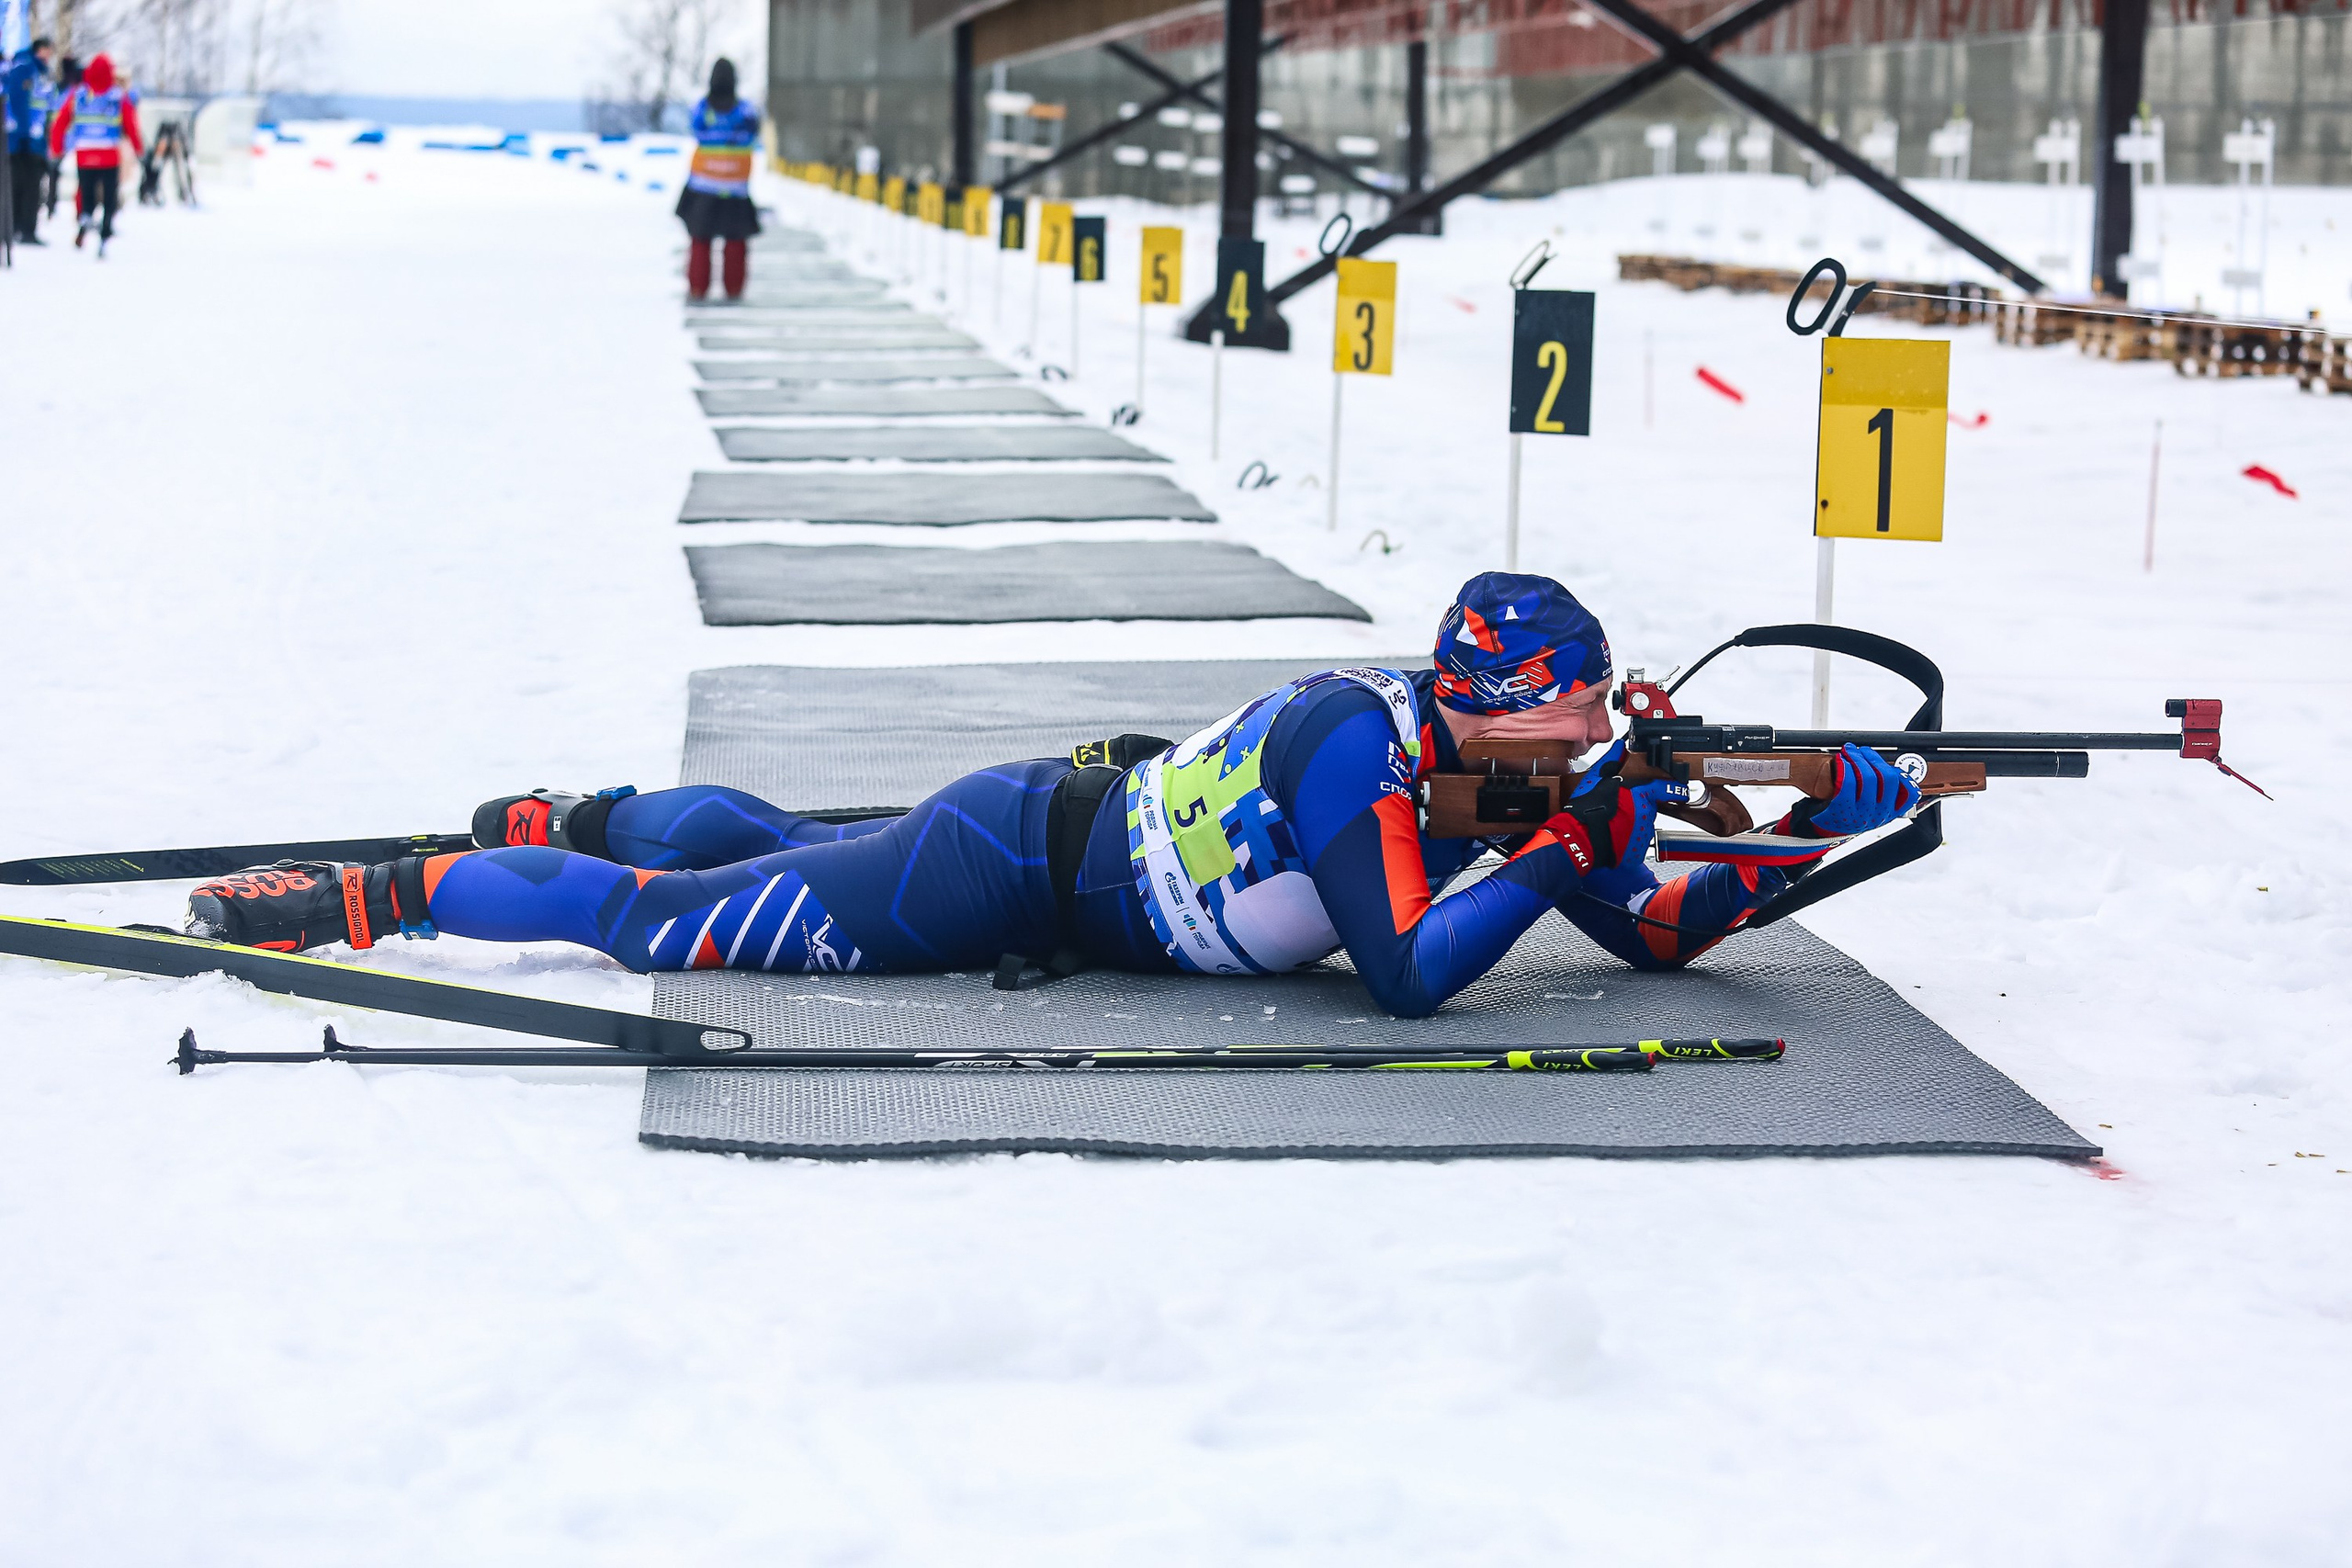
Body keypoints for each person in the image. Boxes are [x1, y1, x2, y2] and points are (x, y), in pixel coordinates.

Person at [184, 575, 1919, 1019]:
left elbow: (1660, 927)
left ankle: (572, 803)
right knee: (680, 927)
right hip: (1003, 871)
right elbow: (1405, 968)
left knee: (784, 838)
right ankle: (390, 893)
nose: (1555, 782)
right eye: (1546, 754)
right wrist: (1559, 838)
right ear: (1485, 717)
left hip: (1038, 823)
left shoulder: (1482, 774)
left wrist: (1833, 838)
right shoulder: (1356, 751)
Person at [674, 56, 760, 302]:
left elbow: (695, 129)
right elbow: (753, 133)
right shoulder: (745, 111)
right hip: (736, 189)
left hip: (703, 186)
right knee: (735, 243)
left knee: (700, 240)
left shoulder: (702, 109)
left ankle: (698, 289)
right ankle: (734, 290)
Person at [46, 51, 139, 255]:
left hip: (84, 153)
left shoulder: (79, 95)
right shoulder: (116, 97)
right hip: (109, 154)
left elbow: (60, 123)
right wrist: (138, 148)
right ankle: (105, 232)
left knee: (86, 191)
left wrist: (57, 146)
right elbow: (131, 125)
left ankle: (85, 217)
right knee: (109, 195)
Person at [3, 35, 52, 245]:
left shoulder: (40, 71)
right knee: (25, 185)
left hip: (33, 140)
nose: (50, 54)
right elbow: (19, 102)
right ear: (39, 49)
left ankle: (22, 228)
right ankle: (21, 229)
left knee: (29, 185)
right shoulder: (26, 68)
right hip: (25, 141)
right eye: (48, 49)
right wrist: (24, 133)